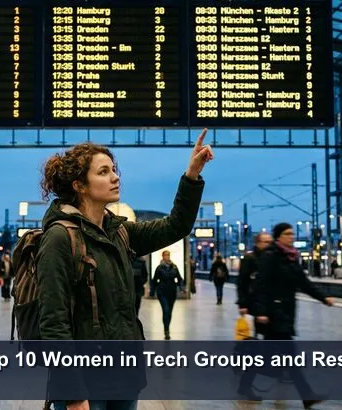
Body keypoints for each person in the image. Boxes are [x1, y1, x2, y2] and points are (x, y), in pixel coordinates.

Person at [37, 129, 212, 410]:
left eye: (114, 170)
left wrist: (192, 176)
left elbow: (176, 226)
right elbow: (54, 322)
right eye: (103, 172)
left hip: (125, 375)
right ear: (79, 185)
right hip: (85, 383)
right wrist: (71, 392)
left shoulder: (118, 233)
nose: (115, 176)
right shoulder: (60, 237)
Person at [242, 223, 333, 408]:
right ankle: (307, 395)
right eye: (287, 233)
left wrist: (323, 298)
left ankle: (244, 385)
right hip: (273, 314)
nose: (291, 236)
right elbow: (261, 285)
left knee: (271, 355)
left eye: (292, 233)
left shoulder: (290, 257)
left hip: (284, 313)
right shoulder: (270, 256)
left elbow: (304, 282)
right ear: (278, 237)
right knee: (289, 357)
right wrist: (260, 312)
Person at [237, 233, 272, 318]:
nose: (269, 245)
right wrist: (243, 304)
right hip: (253, 302)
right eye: (266, 242)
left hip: (270, 304)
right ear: (258, 243)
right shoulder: (249, 258)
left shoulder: (273, 258)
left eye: (271, 242)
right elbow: (242, 282)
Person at [153, 250, 184, 340]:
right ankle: (166, 330)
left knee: (169, 312)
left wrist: (181, 288)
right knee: (165, 310)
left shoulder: (174, 267)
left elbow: (179, 278)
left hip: (172, 292)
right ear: (162, 256)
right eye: (165, 255)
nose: (167, 256)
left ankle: (167, 327)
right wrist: (152, 291)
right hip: (162, 292)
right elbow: (154, 280)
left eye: (168, 255)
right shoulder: (159, 268)